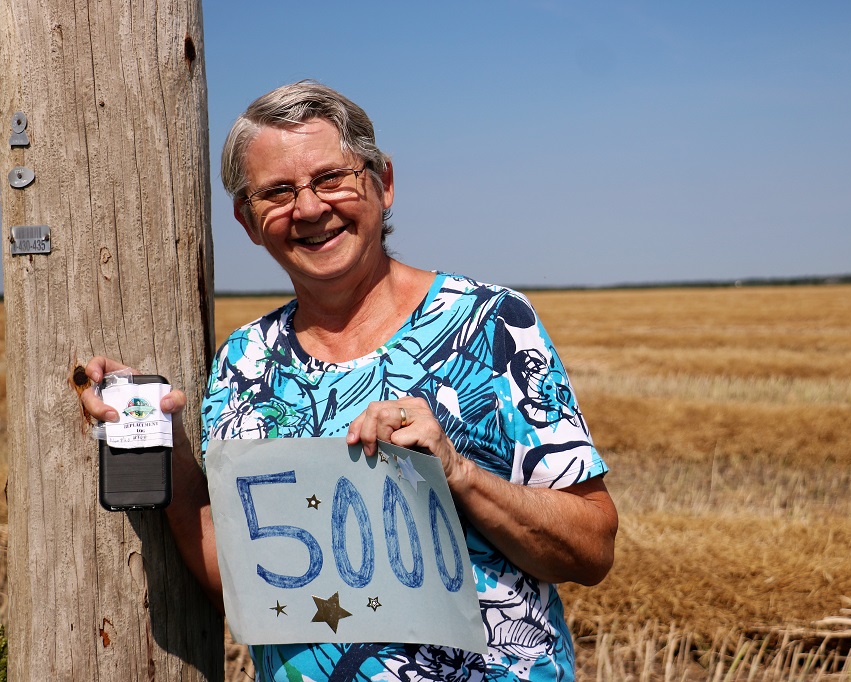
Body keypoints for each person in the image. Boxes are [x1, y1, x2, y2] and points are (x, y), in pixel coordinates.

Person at [81, 80, 617, 681]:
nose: (309, 209)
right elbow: (240, 588)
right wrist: (157, 434)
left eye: (331, 178)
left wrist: (458, 473)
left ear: (383, 182)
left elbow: (592, 548)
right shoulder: (244, 363)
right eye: (278, 192)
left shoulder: (491, 324)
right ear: (247, 221)